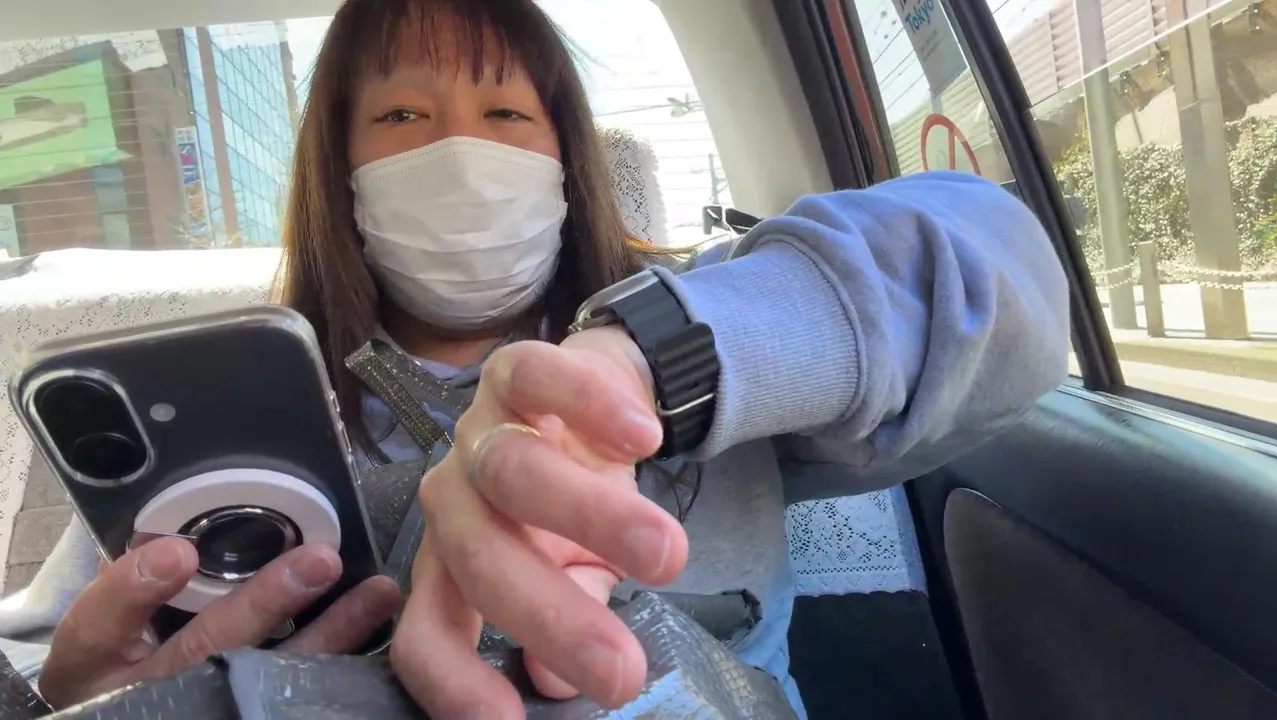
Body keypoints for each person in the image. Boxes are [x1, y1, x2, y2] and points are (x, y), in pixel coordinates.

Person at [0, 0, 1070, 717]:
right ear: (338, 169)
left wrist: (644, 364)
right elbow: (49, 652)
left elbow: (999, 272)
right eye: (402, 113)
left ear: (568, 158)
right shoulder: (222, 410)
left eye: (506, 110)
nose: (458, 151)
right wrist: (82, 697)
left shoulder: (728, 321)